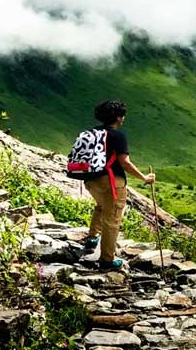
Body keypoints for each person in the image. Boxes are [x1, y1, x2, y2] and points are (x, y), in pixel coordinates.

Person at [83, 100, 155, 269]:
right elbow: (124, 162)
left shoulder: (92, 133)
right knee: (113, 219)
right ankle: (107, 260)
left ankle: (92, 238)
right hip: (111, 181)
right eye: (122, 115)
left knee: (101, 206)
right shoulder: (117, 135)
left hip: (90, 180)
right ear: (117, 117)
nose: (123, 118)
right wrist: (144, 178)